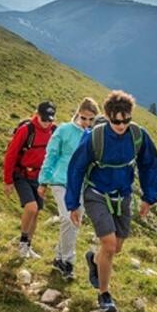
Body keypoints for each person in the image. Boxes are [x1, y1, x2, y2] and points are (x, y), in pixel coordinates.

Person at [66, 90, 157, 312]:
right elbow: (77, 168)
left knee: (116, 247)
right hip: (96, 194)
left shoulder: (138, 135)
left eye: (126, 120)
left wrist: (149, 197)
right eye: (116, 121)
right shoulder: (94, 137)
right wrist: (72, 203)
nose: (121, 125)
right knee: (108, 245)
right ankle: (104, 294)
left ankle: (95, 260)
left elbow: (149, 164)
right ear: (108, 116)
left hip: (122, 195)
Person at [39, 97, 99, 280]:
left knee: (73, 223)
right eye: (84, 118)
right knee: (68, 219)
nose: (87, 123)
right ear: (78, 113)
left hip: (81, 185)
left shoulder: (95, 135)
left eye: (91, 119)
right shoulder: (64, 130)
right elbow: (51, 155)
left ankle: (58, 257)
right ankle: (68, 263)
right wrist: (43, 181)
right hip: (61, 181)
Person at [4, 101, 57, 259]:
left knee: (36, 213)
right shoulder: (26, 130)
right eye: (44, 119)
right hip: (22, 174)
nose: (47, 123)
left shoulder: (54, 130)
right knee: (31, 208)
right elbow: (11, 155)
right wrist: (8, 181)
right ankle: (22, 243)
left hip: (40, 177)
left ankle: (28, 247)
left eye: (50, 120)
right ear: (37, 114)